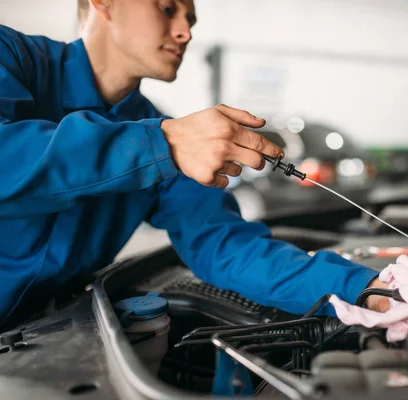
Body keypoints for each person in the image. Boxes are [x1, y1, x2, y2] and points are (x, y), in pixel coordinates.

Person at [0, 0, 388, 327]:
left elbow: (225, 246)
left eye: (191, 20)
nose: (185, 32)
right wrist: (161, 144)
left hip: (43, 336)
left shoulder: (165, 134)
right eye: (167, 8)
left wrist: (367, 288)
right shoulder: (11, 57)